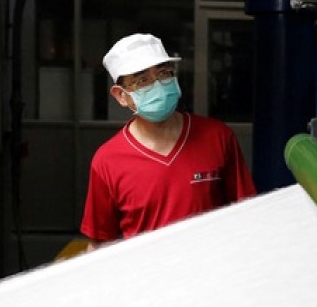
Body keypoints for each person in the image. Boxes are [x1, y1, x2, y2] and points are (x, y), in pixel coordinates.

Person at [80, 33, 257, 249]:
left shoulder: (217, 137)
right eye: (142, 80)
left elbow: (247, 215)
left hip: (211, 275)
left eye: (164, 73)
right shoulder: (108, 160)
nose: (158, 85)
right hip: (147, 279)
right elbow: (100, 243)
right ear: (121, 95)